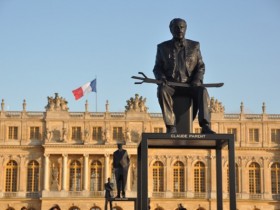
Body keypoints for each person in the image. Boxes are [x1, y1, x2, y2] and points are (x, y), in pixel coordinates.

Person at [153, 18, 216, 134]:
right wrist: (161, 78)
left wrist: (197, 79)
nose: (180, 29)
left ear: (186, 28)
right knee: (161, 90)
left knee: (202, 91)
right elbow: (157, 68)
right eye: (176, 27)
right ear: (171, 29)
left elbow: (200, 66)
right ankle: (171, 126)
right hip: (171, 85)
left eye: (182, 27)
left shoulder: (194, 46)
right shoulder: (162, 47)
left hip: (189, 85)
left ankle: (205, 125)